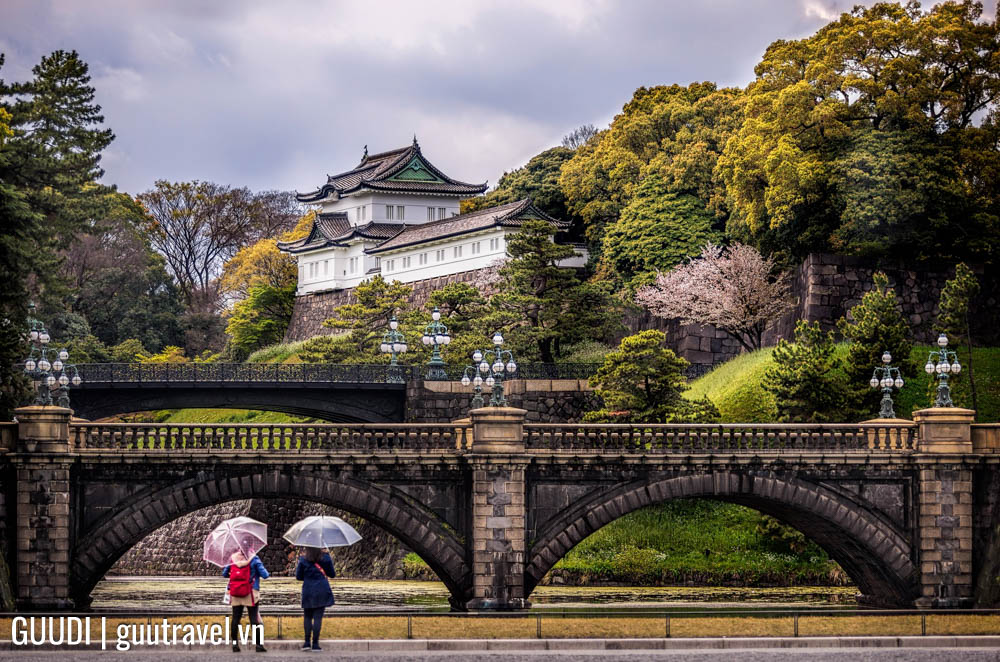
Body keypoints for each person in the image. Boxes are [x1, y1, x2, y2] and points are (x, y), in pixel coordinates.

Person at [223, 550, 270, 653]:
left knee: (235, 618)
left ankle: (235, 645)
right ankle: (258, 645)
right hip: (251, 592)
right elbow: (265, 575)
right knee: (254, 619)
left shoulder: (233, 558)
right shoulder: (254, 558)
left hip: (236, 592)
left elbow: (224, 573)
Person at [295, 546, 335, 651]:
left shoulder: (303, 559)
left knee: (307, 617)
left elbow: (298, 577)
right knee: (318, 617)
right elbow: (332, 574)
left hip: (308, 590)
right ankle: (315, 644)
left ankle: (307, 643)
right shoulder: (325, 557)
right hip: (321, 590)